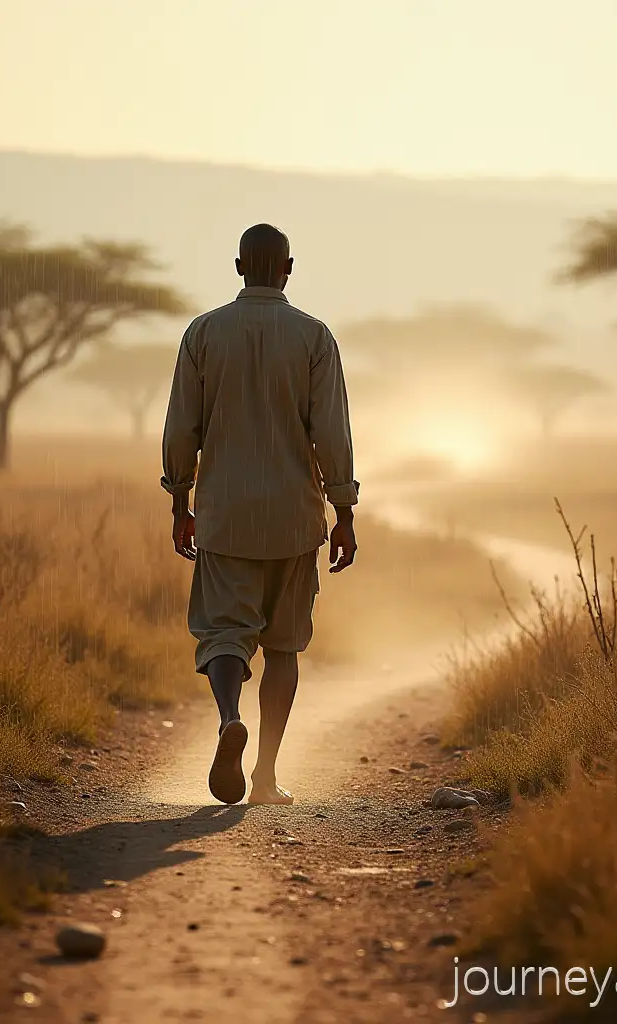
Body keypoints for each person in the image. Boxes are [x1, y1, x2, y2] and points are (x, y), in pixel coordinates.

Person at [161, 223, 359, 806]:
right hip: (294, 520)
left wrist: (180, 500)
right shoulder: (314, 338)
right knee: (283, 647)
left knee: (225, 633)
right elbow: (332, 434)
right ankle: (266, 777)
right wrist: (343, 509)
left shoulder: (202, 333)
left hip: (223, 514)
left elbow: (182, 428)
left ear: (239, 267)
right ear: (289, 269)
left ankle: (228, 719)